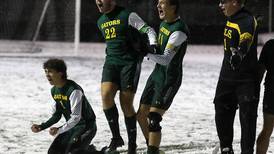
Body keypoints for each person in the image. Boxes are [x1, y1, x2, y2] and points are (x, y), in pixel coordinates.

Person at [95, 0, 157, 153]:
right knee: (106, 96)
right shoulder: (100, 21)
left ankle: (132, 145)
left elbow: (148, 30)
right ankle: (116, 138)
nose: (98, 2)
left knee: (126, 104)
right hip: (111, 62)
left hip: (129, 63)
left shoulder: (128, 15)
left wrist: (153, 44)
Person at [136, 0, 189, 153]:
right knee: (141, 114)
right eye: (158, 3)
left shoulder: (179, 31)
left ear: (173, 6)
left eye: (163, 3)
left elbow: (165, 59)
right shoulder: (164, 24)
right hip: (156, 75)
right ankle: (152, 148)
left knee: (153, 118)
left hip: (169, 79)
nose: (158, 6)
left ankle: (153, 151)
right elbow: (158, 51)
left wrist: (145, 52)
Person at [214, 0, 259, 153]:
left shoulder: (247, 20)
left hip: (246, 80)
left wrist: (239, 53)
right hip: (226, 77)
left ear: (234, 2)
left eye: (223, 2)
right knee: (221, 112)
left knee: (247, 119)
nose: (220, 5)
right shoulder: (232, 16)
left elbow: (245, 38)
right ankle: (226, 149)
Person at [31, 58, 97, 154]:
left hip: (87, 127)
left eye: (50, 72)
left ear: (60, 73)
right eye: (45, 72)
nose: (47, 75)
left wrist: (60, 129)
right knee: (53, 152)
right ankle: (90, 150)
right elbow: (56, 115)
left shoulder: (74, 90)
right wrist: (42, 127)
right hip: (72, 128)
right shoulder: (54, 90)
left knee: (72, 152)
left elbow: (76, 117)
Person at [256, 39, 274, 154]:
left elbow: (260, 71)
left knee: (267, 129)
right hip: (271, 91)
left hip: (271, 92)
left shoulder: (270, 45)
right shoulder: (270, 46)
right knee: (267, 130)